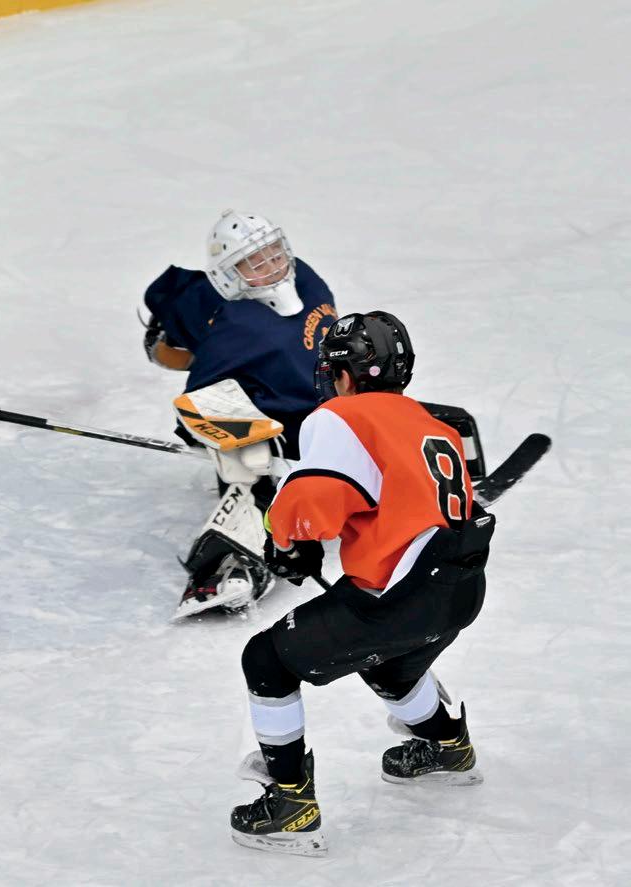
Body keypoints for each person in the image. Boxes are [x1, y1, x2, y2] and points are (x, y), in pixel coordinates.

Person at [229, 311, 493, 856]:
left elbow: (314, 507)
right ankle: (448, 747)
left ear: (345, 375)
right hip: (461, 588)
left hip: (398, 594)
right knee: (393, 666)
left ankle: (290, 805)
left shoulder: (341, 416)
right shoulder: (434, 425)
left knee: (267, 659)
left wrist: (282, 529)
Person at [141, 209, 338, 613]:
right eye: (255, 262)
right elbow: (199, 402)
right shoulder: (237, 327)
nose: (273, 266)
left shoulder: (306, 277)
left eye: (274, 252)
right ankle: (227, 566)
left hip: (332, 408)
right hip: (286, 433)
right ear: (229, 275)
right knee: (262, 474)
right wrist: (252, 445)